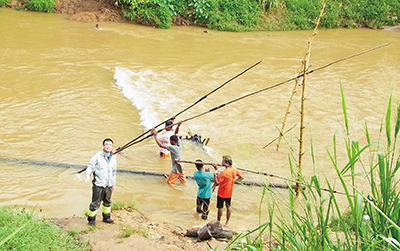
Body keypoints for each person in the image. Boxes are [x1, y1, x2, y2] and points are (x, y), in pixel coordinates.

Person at [85, 138, 117, 226]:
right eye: (106, 144)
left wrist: (113, 184)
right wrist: (87, 175)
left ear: (112, 147)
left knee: (107, 202)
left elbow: (114, 172)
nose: (108, 146)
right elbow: (90, 166)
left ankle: (106, 217)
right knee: (95, 203)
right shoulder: (97, 156)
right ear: (103, 146)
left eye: (110, 145)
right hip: (98, 184)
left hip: (109, 184)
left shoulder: (113, 158)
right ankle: (91, 219)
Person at [152, 121, 188, 188]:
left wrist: (155, 136)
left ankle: (175, 192)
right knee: (183, 181)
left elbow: (161, 145)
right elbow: (176, 132)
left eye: (171, 141)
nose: (170, 142)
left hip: (176, 169)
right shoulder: (179, 144)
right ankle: (186, 187)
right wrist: (178, 125)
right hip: (181, 167)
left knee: (170, 183)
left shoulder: (172, 147)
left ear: (173, 142)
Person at [212, 155, 243, 226]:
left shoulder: (224, 172)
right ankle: (227, 222)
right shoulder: (235, 170)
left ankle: (218, 221)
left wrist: (214, 174)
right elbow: (241, 177)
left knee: (220, 207)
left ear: (227, 163)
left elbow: (217, 183)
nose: (221, 162)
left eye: (222, 161)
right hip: (229, 192)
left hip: (222, 192)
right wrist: (234, 182)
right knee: (228, 206)